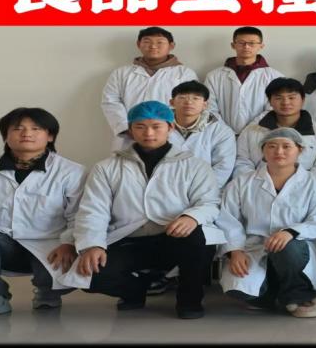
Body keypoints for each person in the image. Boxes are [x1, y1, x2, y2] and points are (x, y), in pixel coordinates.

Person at [60, 101, 225, 319]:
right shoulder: (107, 167)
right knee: (90, 273)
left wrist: (191, 217)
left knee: (198, 238)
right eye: (140, 127)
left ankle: (189, 300)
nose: (149, 133)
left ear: (170, 127)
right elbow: (93, 210)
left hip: (173, 237)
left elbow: (210, 202)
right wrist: (92, 245)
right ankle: (136, 290)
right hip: (128, 239)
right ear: (130, 130)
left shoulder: (194, 165)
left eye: (156, 126)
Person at [0, 108, 86, 322]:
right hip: (1, 243)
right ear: (6, 136)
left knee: (73, 260)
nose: (26, 133)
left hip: (52, 245)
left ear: (50, 136)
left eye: (36, 128)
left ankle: (49, 291)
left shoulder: (73, 172)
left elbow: (81, 214)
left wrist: (69, 243)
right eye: (18, 128)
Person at [216, 128, 316, 318]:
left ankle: (300, 296)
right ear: (263, 151)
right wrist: (235, 251)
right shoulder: (241, 183)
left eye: (287, 146)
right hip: (253, 247)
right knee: (238, 288)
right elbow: (228, 219)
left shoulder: (315, 184)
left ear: (300, 150)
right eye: (272, 146)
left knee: (287, 248)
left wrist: (290, 232)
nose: (279, 152)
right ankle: (271, 295)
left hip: (297, 247)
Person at [101, 26, 198, 151]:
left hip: (172, 135)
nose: (153, 46)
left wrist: (168, 128)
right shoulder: (121, 73)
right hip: (131, 136)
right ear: (138, 44)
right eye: (147, 42)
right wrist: (126, 128)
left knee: (170, 162)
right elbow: (110, 101)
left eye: (160, 42)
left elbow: (191, 105)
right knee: (129, 162)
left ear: (171, 46)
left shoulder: (184, 74)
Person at [234, 78, 316, 182]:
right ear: (270, 101)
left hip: (306, 187)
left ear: (303, 100)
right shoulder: (251, 130)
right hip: (257, 186)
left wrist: (301, 186)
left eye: (291, 97)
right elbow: (242, 161)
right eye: (278, 98)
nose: (285, 102)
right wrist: (258, 184)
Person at [203, 26, 285, 135]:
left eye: (252, 43)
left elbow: (273, 109)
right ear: (233, 45)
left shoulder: (275, 77)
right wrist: (225, 132)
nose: (246, 46)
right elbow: (209, 108)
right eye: (241, 43)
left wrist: (249, 131)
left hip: (259, 134)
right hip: (221, 134)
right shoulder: (214, 76)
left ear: (261, 46)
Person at [168, 81, 236, 188]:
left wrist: (204, 190)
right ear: (172, 102)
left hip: (205, 189)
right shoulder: (158, 127)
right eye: (182, 97)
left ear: (205, 105)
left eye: (196, 98)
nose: (189, 102)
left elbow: (223, 167)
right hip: (165, 187)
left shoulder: (221, 131)